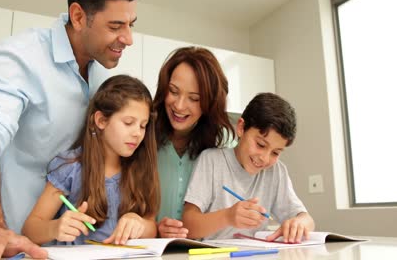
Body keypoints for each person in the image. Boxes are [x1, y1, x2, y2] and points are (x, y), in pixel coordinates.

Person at [0, 0, 140, 259]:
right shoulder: (21, 56)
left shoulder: (104, 76)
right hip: (14, 250)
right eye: (115, 27)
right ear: (79, 17)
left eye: (131, 25)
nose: (128, 38)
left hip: (72, 252)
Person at [22, 75, 160, 245]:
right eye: (128, 122)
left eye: (143, 125)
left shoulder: (140, 169)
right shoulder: (70, 167)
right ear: (101, 121)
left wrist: (139, 223)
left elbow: (152, 227)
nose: (137, 133)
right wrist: (55, 228)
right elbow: (30, 229)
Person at [182, 92, 315, 243]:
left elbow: (306, 219)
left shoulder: (276, 171)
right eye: (260, 144)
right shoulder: (211, 160)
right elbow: (188, 225)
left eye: (276, 152)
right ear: (241, 127)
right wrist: (227, 217)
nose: (264, 158)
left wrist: (300, 223)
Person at [152, 46, 235, 238]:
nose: (179, 106)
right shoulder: (142, 134)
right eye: (173, 91)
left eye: (194, 98)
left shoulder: (223, 144)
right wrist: (153, 228)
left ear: (209, 103)